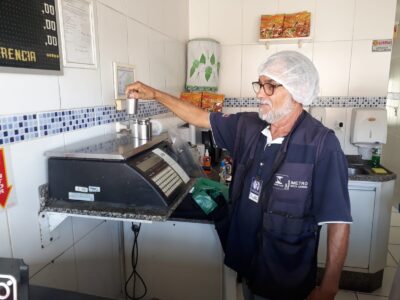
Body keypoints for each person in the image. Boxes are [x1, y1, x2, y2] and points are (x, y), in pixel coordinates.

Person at [126, 51, 352, 300]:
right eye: (260, 84)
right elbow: (199, 117)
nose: (259, 93)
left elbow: (338, 220)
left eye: (270, 86)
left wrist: (329, 287)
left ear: (297, 92)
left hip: (286, 276)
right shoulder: (247, 126)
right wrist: (156, 94)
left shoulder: (321, 144)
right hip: (248, 263)